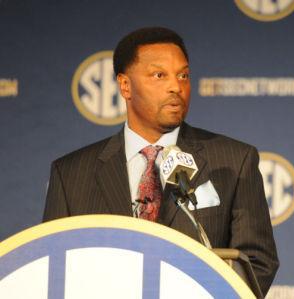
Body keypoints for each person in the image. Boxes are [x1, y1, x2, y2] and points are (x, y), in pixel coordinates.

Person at [43, 27, 279, 295]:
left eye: (183, 75)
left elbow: (258, 262)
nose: (176, 86)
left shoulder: (235, 161)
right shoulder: (71, 174)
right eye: (159, 75)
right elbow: (56, 265)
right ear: (125, 85)